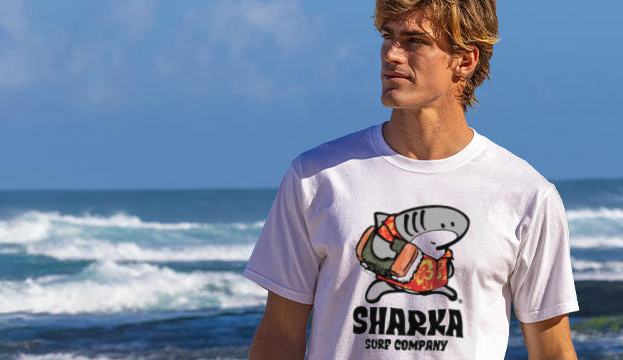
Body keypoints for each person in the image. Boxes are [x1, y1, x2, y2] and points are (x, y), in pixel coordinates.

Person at [242, 0, 578, 358]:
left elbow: (552, 349)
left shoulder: (526, 194)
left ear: (464, 60)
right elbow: (280, 332)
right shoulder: (317, 177)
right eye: (388, 37)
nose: (392, 54)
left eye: (415, 41)